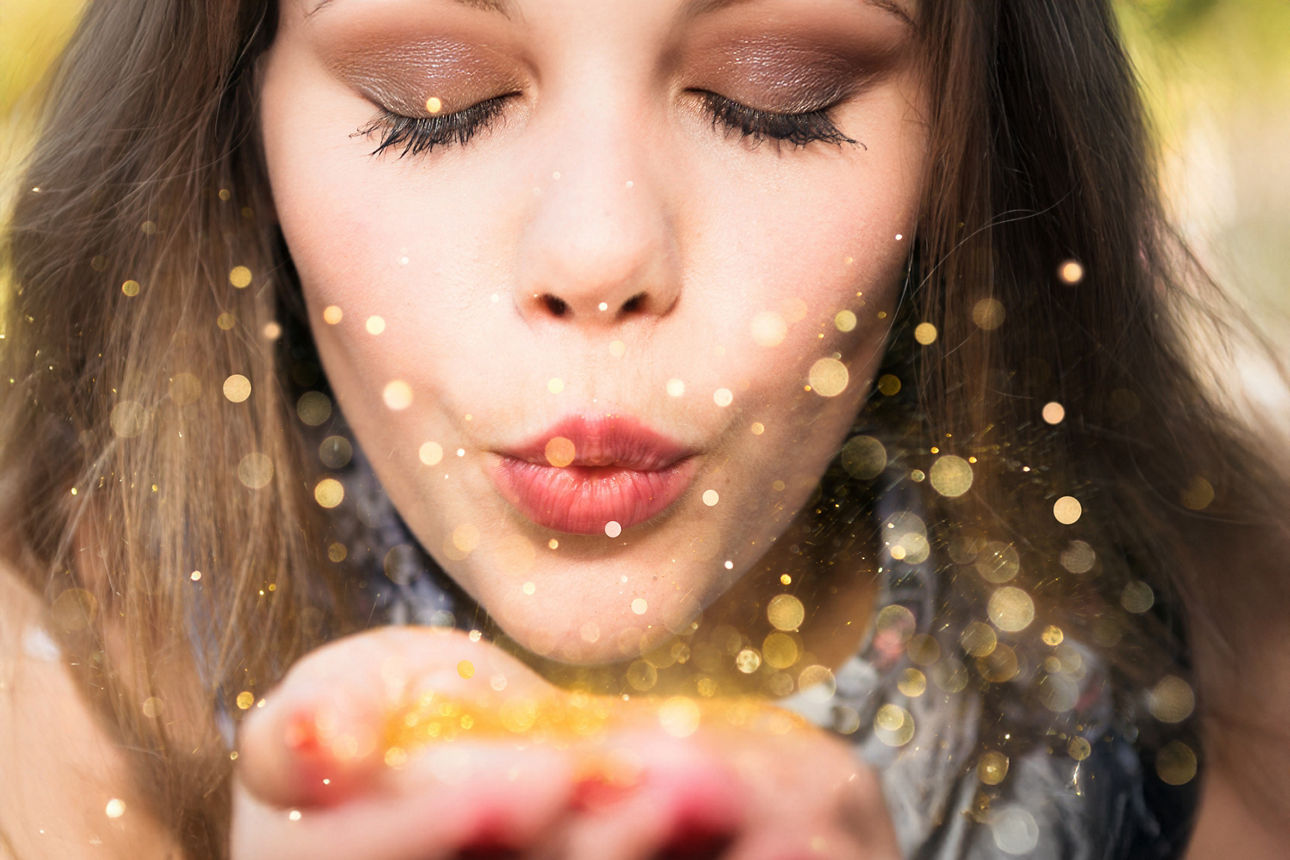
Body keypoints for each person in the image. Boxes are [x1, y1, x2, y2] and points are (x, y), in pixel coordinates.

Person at [1, 0, 1286, 857]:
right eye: (429, 98)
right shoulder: (53, 688)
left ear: (975, 138)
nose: (600, 249)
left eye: (777, 97)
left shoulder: (1227, 669)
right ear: (235, 118)